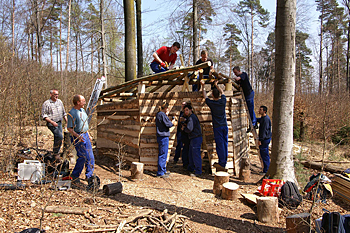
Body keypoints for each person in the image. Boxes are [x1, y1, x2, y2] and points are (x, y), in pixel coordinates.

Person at [67, 95, 98, 190]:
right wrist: (78, 136)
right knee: (83, 156)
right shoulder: (72, 113)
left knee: (90, 156)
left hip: (85, 135)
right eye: (83, 101)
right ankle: (75, 176)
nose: (85, 102)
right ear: (77, 102)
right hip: (77, 136)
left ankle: (89, 176)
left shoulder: (83, 111)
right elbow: (69, 128)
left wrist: (88, 134)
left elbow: (85, 124)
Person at [201, 80, 228, 171]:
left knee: (220, 145)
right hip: (225, 126)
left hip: (218, 127)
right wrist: (216, 85)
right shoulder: (223, 101)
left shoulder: (212, 103)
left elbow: (204, 95)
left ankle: (222, 163)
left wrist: (202, 86)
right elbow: (222, 92)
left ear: (212, 95)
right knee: (225, 144)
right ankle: (224, 162)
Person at [41, 89, 67, 155]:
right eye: (55, 94)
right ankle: (55, 153)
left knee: (59, 138)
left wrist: (67, 121)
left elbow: (64, 113)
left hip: (59, 122)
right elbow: (44, 116)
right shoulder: (46, 103)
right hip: (51, 123)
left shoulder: (60, 102)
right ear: (51, 95)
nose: (57, 96)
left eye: (57, 94)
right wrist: (52, 122)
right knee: (59, 136)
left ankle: (56, 152)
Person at [232, 66, 257, 131]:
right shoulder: (240, 78)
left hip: (249, 93)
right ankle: (253, 123)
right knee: (249, 109)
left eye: (235, 72)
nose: (235, 74)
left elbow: (239, 78)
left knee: (250, 109)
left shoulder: (243, 74)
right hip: (246, 95)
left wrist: (235, 78)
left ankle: (253, 124)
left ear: (238, 70)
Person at [156, 102, 175, 178]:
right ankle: (160, 172)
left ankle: (163, 170)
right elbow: (168, 124)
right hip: (163, 136)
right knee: (163, 154)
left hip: (161, 136)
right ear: (166, 108)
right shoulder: (162, 114)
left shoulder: (159, 114)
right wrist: (172, 122)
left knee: (163, 153)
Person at [182, 105, 203, 177]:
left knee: (196, 155)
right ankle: (191, 168)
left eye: (187, 110)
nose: (186, 112)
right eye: (185, 110)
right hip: (194, 138)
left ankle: (198, 171)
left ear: (191, 110)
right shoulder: (191, 117)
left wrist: (184, 129)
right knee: (191, 154)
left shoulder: (191, 118)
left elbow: (189, 129)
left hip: (196, 138)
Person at [256, 106, 272, 175]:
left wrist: (260, 140)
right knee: (264, 154)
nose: (259, 111)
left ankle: (266, 171)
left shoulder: (266, 120)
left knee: (265, 155)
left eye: (260, 110)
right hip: (265, 139)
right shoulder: (263, 118)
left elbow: (263, 131)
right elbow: (259, 120)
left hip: (265, 139)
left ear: (264, 111)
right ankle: (266, 169)